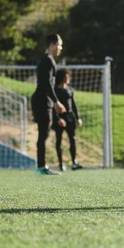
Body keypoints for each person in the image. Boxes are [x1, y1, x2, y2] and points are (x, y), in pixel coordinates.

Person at [31, 34, 66, 175]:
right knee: (43, 134)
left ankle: (42, 166)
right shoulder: (48, 61)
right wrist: (57, 102)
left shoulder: (47, 61)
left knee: (44, 133)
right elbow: (46, 84)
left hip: (44, 100)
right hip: (41, 100)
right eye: (59, 45)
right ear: (52, 45)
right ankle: (41, 166)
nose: (60, 48)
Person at [53, 68, 84, 172]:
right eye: (65, 76)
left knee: (72, 139)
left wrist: (78, 117)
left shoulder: (70, 89)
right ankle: (61, 163)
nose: (68, 78)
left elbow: (73, 104)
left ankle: (74, 162)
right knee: (59, 141)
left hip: (69, 116)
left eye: (68, 76)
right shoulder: (55, 90)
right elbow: (53, 106)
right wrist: (57, 118)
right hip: (59, 117)